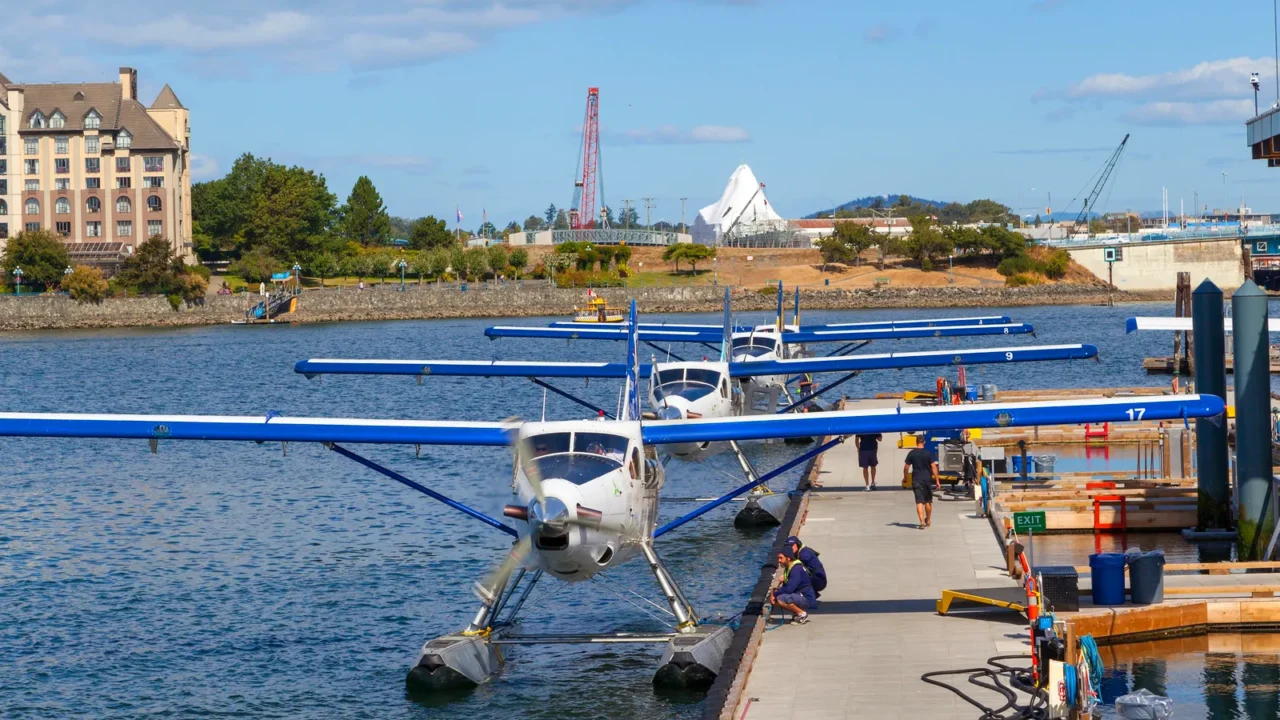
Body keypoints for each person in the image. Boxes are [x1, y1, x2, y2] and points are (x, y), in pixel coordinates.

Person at [769, 547, 814, 624]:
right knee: (778, 597)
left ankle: (802, 614)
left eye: (781, 558)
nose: (779, 561)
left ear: (788, 558)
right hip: (799, 594)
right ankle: (797, 613)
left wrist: (774, 594)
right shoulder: (789, 567)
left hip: (806, 597)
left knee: (780, 598)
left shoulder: (796, 569)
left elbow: (789, 589)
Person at [904, 443, 941, 530]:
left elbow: (906, 467)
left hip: (916, 479)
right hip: (927, 479)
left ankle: (921, 522)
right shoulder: (928, 453)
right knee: (928, 501)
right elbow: (934, 467)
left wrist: (905, 477)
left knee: (919, 501)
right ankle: (928, 520)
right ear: (924, 442)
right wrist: (937, 480)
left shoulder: (912, 453)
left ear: (916, 442)